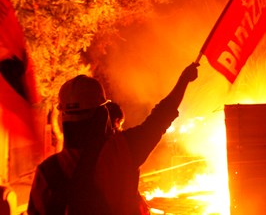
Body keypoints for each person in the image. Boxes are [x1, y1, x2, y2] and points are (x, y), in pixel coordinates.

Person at [27, 62, 199, 214]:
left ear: (63, 118)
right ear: (102, 115)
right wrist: (183, 81)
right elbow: (160, 118)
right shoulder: (124, 150)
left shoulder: (47, 171)